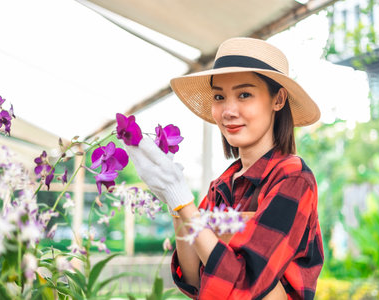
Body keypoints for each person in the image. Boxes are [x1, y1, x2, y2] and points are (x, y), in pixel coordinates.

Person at [125, 37, 324, 300]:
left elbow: (245, 285)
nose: (228, 111)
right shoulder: (223, 184)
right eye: (219, 96)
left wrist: (187, 206)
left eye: (244, 94)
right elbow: (197, 279)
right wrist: (177, 209)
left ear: (278, 99)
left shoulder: (293, 177)